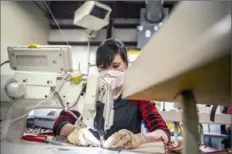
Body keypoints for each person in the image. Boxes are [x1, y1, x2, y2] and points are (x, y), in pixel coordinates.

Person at [53, 38, 170, 149]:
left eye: (115, 66)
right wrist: (76, 132)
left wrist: (139, 139)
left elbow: (162, 132)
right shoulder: (88, 91)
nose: (109, 72)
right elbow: (60, 123)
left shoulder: (137, 96)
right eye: (103, 67)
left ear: (126, 65)